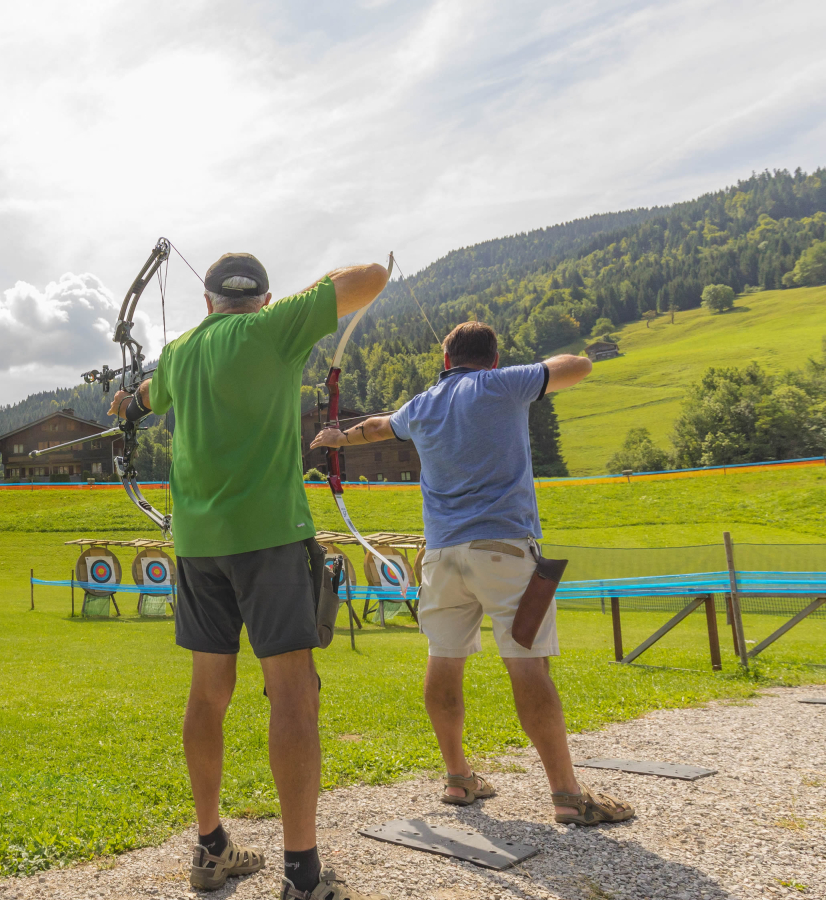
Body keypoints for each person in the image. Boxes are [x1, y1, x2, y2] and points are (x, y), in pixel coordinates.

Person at [110, 252, 390, 900]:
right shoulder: (275, 326)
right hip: (269, 538)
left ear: (207, 303)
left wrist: (128, 402)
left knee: (208, 694)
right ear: (263, 300)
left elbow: (143, 399)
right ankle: (302, 876)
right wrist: (297, 306)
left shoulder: (180, 353)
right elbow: (373, 274)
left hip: (198, 545)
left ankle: (210, 850)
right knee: (293, 693)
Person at [309, 321, 635, 828]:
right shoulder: (501, 383)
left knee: (444, 657)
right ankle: (568, 794)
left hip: (441, 557)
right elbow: (580, 366)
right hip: (503, 551)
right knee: (528, 665)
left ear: (445, 359)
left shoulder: (421, 404)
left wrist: (336, 437)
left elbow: (375, 427)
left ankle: (458, 777)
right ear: (493, 357)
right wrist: (533, 372)